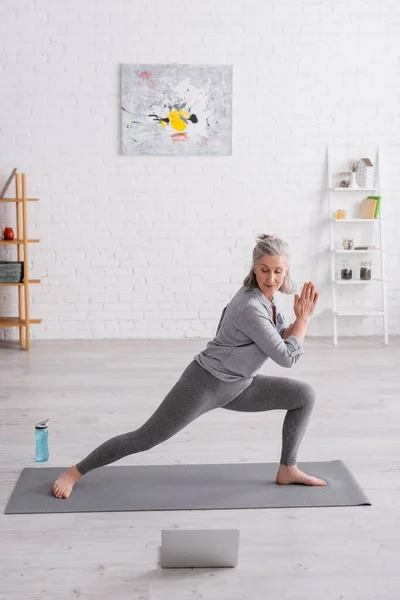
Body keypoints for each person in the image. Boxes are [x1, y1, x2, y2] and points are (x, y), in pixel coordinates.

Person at [53, 233, 325, 499]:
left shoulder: (268, 300)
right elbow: (287, 358)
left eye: (278, 271)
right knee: (146, 437)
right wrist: (302, 321)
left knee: (304, 396)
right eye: (264, 270)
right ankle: (74, 472)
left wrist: (299, 322)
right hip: (206, 384)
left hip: (240, 384)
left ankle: (288, 469)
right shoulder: (250, 306)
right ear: (254, 268)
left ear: (285, 270)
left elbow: (280, 338)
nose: (271, 278)